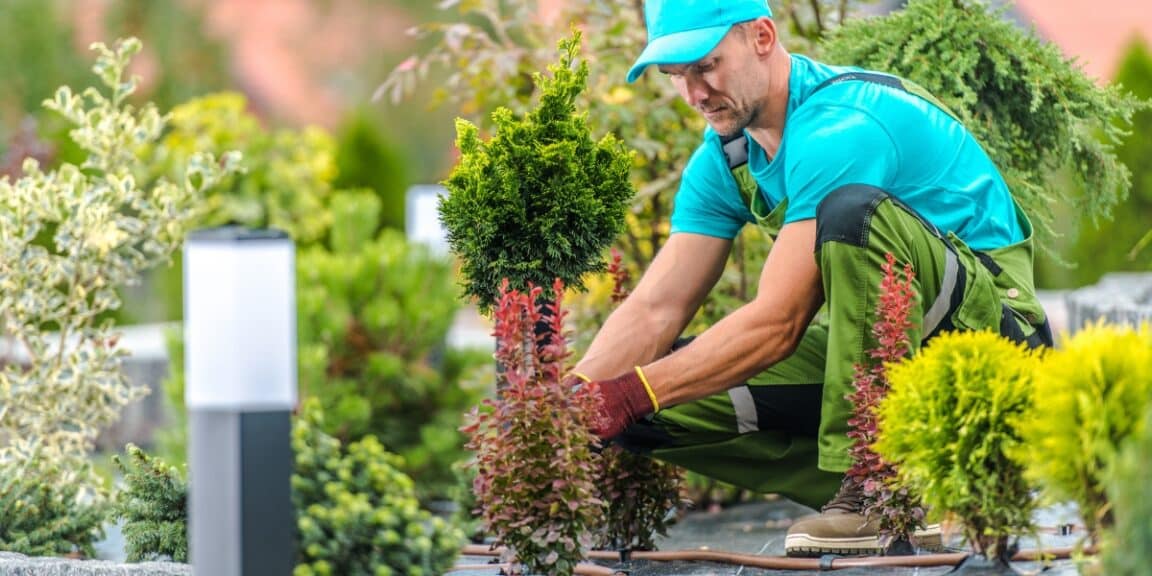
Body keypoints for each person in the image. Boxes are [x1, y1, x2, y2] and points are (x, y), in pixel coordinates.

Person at [568, 0, 1052, 558]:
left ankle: (874, 492)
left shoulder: (843, 125)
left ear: (763, 37)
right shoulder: (727, 159)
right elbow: (656, 308)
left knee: (851, 213)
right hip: (890, 356)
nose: (695, 94)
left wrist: (632, 391)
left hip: (996, 344)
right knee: (650, 413)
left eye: (706, 66)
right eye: (678, 76)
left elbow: (779, 322)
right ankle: (919, 492)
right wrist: (570, 410)